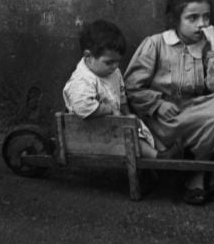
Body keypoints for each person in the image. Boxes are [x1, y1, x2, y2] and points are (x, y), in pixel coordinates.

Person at [124, 0, 214, 205]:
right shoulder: (155, 45)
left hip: (196, 115)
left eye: (206, 17)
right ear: (176, 20)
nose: (201, 24)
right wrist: (157, 103)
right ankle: (207, 174)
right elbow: (131, 87)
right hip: (165, 121)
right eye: (192, 18)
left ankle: (199, 174)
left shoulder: (207, 47)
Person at [63, 19, 157, 157]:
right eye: (109, 62)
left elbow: (121, 94)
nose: (115, 66)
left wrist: (127, 113)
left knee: (140, 128)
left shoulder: (113, 72)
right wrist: (111, 110)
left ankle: (160, 155)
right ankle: (157, 157)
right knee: (131, 140)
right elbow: (83, 107)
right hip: (92, 132)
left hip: (112, 126)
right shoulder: (82, 80)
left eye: (118, 61)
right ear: (88, 56)